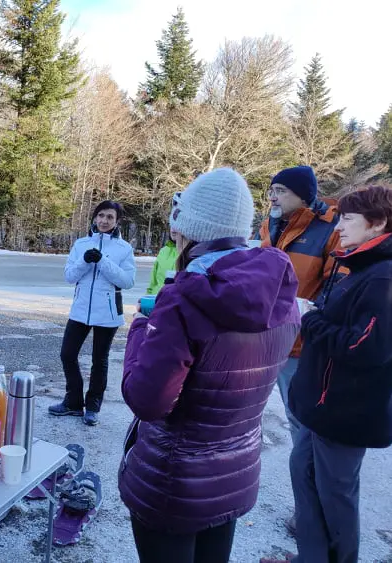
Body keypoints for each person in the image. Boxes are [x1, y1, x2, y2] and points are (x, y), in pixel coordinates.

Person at [119, 168, 300, 563]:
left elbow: (147, 401)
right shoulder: (280, 294)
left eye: (178, 228)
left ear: (190, 230)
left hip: (175, 484)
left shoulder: (182, 301)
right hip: (233, 476)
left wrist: (141, 331)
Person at [263, 186, 392, 563]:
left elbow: (368, 348)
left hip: (346, 413)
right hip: (323, 406)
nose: (339, 226)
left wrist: (311, 319)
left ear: (378, 224)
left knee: (335, 493)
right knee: (303, 474)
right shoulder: (360, 266)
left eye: (349, 219)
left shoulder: (385, 277)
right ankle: (311, 556)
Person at [258, 165, 341, 445]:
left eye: (280, 191)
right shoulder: (271, 224)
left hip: (302, 344)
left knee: (301, 417)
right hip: (268, 336)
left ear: (304, 197)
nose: (272, 198)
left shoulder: (331, 228)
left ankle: (312, 478)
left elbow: (338, 288)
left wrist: (307, 314)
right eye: (271, 191)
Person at [48, 200, 136, 426]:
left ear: (117, 222)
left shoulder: (123, 249)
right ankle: (73, 402)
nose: (105, 221)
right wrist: (85, 260)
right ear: (95, 217)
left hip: (107, 312)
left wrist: (103, 261)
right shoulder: (81, 244)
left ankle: (93, 406)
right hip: (80, 310)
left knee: (100, 360)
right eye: (101, 216)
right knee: (67, 354)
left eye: (110, 217)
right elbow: (69, 276)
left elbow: (127, 281)